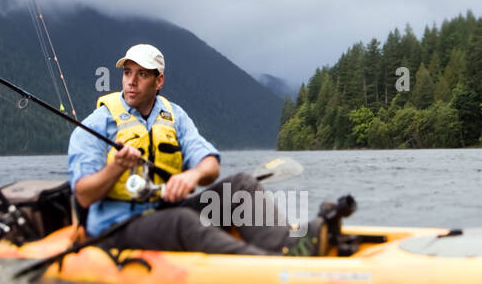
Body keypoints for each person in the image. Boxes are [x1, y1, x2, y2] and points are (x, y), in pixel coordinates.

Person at [66, 44, 339, 256]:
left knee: (242, 184)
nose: (131, 82)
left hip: (166, 211)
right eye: (127, 73)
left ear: (158, 81)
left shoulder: (175, 116)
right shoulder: (96, 124)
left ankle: (286, 246)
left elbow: (210, 165)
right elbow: (85, 195)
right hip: (117, 227)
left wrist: (192, 177)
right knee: (182, 221)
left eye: (142, 74)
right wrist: (116, 168)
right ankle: (269, 266)